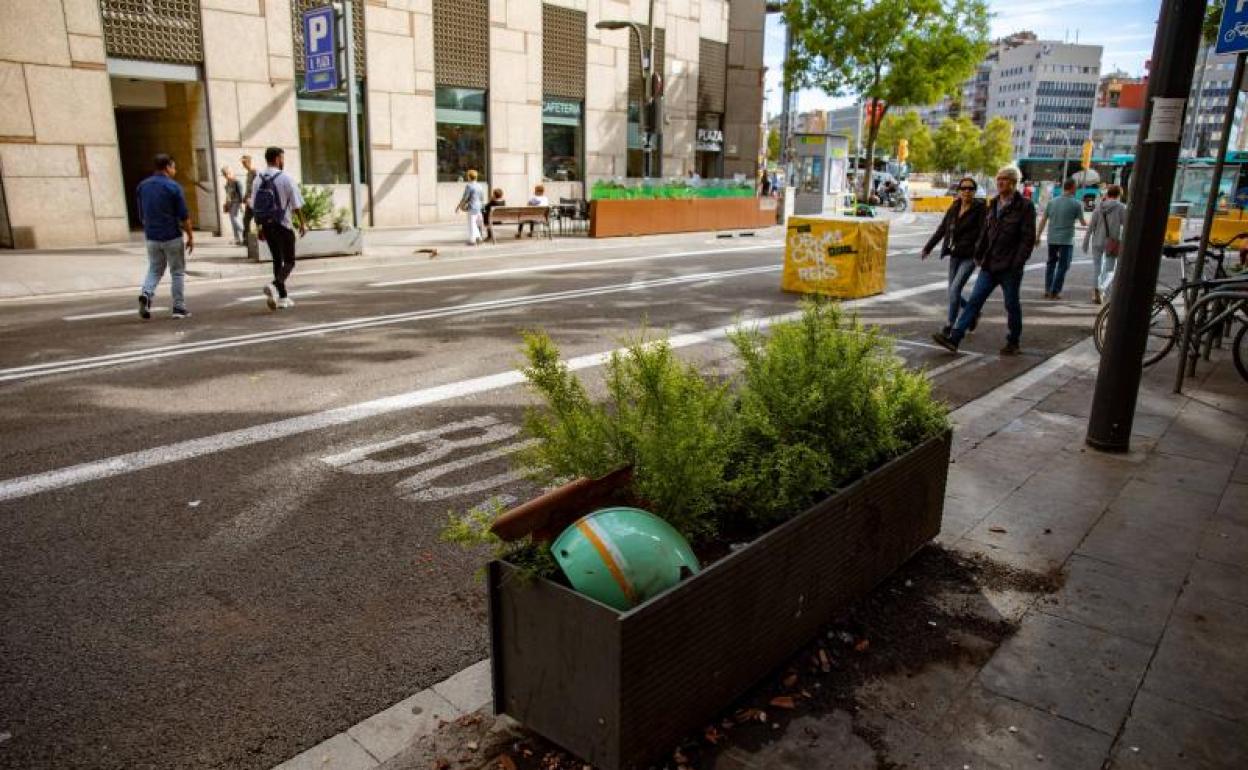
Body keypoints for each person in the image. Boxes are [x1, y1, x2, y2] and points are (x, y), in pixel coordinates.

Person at [932, 165, 1037, 356]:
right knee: (974, 302)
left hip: (1010, 267)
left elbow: (1027, 239)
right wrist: (979, 255)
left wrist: (1017, 263)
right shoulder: (994, 203)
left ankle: (1013, 341)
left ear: (1014, 182)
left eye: (1004, 179)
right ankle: (955, 338)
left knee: (1011, 305)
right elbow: (986, 233)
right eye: (998, 179)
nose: (1000, 182)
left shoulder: (1025, 206)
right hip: (989, 265)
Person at [921, 176, 987, 338]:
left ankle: (950, 324)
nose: (966, 191)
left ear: (974, 191)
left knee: (955, 288)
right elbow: (942, 229)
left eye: (970, 189)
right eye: (963, 188)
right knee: (952, 291)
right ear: (958, 191)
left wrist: (979, 253)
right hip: (954, 254)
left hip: (970, 256)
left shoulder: (980, 209)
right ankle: (973, 312)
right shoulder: (954, 207)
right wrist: (928, 247)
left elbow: (984, 234)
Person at [136, 154, 194, 320]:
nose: (175, 170)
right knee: (177, 272)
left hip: (152, 236)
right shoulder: (173, 187)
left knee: (154, 269)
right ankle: (178, 307)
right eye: (174, 167)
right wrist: (190, 236)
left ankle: (146, 294)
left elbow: (141, 214)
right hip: (171, 235)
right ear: (168, 167)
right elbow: (184, 216)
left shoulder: (142, 186)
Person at [250, 146, 306, 311]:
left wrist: (259, 227)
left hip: (266, 224)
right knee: (289, 261)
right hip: (283, 224)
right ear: (277, 159)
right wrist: (303, 223)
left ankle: (282, 297)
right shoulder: (286, 178)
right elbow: (296, 205)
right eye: (282, 158)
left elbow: (255, 206)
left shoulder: (258, 179)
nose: (283, 161)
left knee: (277, 259)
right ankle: (275, 286)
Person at [1036, 179, 1086, 300]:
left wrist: (1037, 236)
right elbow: (1083, 222)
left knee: (1051, 263)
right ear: (1073, 187)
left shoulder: (1052, 202)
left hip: (1052, 238)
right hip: (1067, 240)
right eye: (1076, 187)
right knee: (1063, 265)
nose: (1077, 189)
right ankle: (1055, 290)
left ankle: (1048, 289)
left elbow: (1043, 220)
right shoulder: (1077, 204)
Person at [1082, 184, 1126, 304]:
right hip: (1112, 243)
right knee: (1110, 270)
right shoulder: (1121, 208)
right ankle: (1101, 289)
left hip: (1097, 241)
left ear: (1108, 194)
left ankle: (1096, 290)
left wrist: (1085, 243)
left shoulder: (1098, 207)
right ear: (1119, 195)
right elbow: (1126, 226)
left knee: (1097, 268)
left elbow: (1091, 227)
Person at [456, 169, 485, 245]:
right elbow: (482, 198)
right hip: (479, 207)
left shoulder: (469, 186)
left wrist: (459, 206)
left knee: (472, 224)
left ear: (469, 177)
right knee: (475, 224)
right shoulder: (480, 186)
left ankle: (472, 240)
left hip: (472, 207)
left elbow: (465, 198)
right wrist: (483, 208)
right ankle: (479, 238)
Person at [221, 165, 244, 245]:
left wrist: (241, 205)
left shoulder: (236, 182)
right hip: (230, 203)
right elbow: (228, 194)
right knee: (232, 221)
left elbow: (241, 194)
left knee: (235, 219)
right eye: (224, 174)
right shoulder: (228, 183)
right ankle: (237, 238)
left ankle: (245, 233)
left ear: (231, 172)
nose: (226, 176)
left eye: (227, 173)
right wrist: (226, 203)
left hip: (236, 202)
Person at [240, 154, 257, 237]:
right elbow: (248, 187)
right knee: (246, 219)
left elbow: (257, 186)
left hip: (254, 201)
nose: (243, 165)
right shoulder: (248, 173)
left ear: (249, 162)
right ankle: (247, 238)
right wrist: (245, 197)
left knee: (257, 219)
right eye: (243, 163)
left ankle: (261, 236)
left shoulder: (255, 172)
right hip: (249, 200)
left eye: (244, 163)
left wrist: (252, 197)